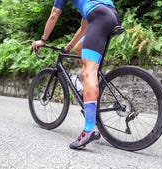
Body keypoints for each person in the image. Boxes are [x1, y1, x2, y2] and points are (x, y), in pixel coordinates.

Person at [32, 0, 121, 149]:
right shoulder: (89, 5)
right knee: (79, 49)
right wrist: (69, 47)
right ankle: (88, 90)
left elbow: (54, 14)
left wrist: (43, 40)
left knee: (89, 72)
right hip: (111, 15)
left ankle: (89, 129)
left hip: (99, 18)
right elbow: (84, 27)